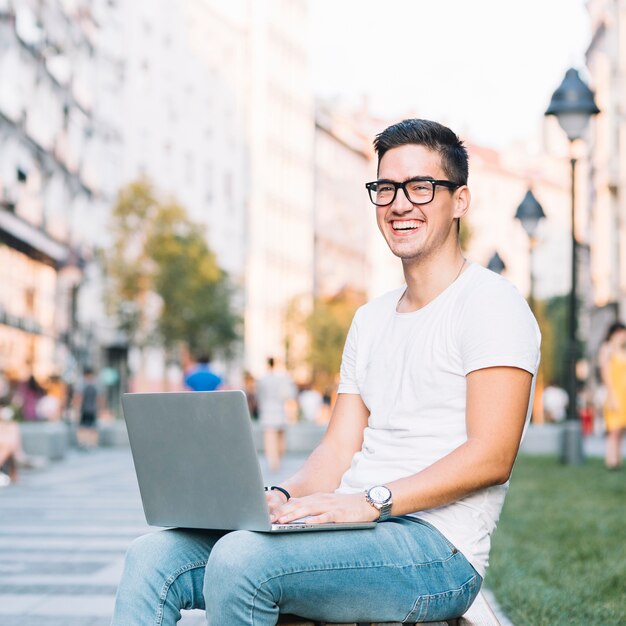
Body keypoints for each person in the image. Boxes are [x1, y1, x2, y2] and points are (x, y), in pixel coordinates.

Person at [111, 119, 540, 626]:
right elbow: (338, 449)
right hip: (354, 525)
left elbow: (491, 457)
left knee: (241, 562)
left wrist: (372, 502)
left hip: (438, 550)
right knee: (152, 559)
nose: (400, 204)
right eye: (386, 188)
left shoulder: (492, 304)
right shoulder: (371, 318)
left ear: (460, 200)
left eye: (421, 188)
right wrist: (283, 497)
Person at [256, 357, 297, 472]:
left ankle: (273, 462)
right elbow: (290, 394)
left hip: (267, 410)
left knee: (269, 437)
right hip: (280, 409)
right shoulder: (283, 378)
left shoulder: (263, 379)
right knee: (280, 436)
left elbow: (259, 395)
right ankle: (278, 459)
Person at [598, 321, 626, 469]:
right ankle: (611, 461)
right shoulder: (607, 349)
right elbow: (605, 373)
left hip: (623, 394)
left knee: (621, 429)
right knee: (613, 429)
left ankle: (617, 459)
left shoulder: (622, 350)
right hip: (613, 393)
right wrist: (612, 395)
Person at [73, 367, 102, 450]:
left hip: (84, 409)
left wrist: (77, 409)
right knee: (93, 427)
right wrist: (100, 409)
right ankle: (92, 444)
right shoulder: (96, 384)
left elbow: (79, 397)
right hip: (93, 409)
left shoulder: (82, 384)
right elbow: (100, 398)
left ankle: (83, 443)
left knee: (83, 427)